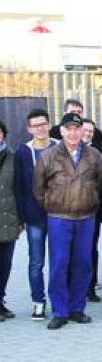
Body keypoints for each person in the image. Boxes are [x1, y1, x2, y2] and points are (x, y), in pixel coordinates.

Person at [33, 112, 102, 330]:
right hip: (59, 219)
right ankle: (60, 311)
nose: (73, 133)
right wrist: (54, 205)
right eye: (68, 129)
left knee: (83, 265)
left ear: (83, 131)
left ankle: (77, 309)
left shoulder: (94, 156)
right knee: (59, 265)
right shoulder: (48, 156)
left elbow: (100, 183)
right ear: (61, 131)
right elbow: (38, 188)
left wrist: (90, 201)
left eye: (77, 128)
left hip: (85, 218)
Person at [14, 109, 58, 320]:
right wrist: (22, 217)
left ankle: (60, 300)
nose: (40, 128)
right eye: (35, 125)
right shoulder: (23, 152)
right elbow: (19, 186)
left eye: (43, 124)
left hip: (60, 214)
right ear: (29, 129)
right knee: (36, 262)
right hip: (34, 217)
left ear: (49, 125)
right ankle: (38, 302)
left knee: (60, 260)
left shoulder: (60, 146)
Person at [0, 120, 19, 321]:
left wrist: (20, 218)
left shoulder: (13, 158)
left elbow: (20, 189)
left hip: (8, 218)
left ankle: (1, 301)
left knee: (5, 265)